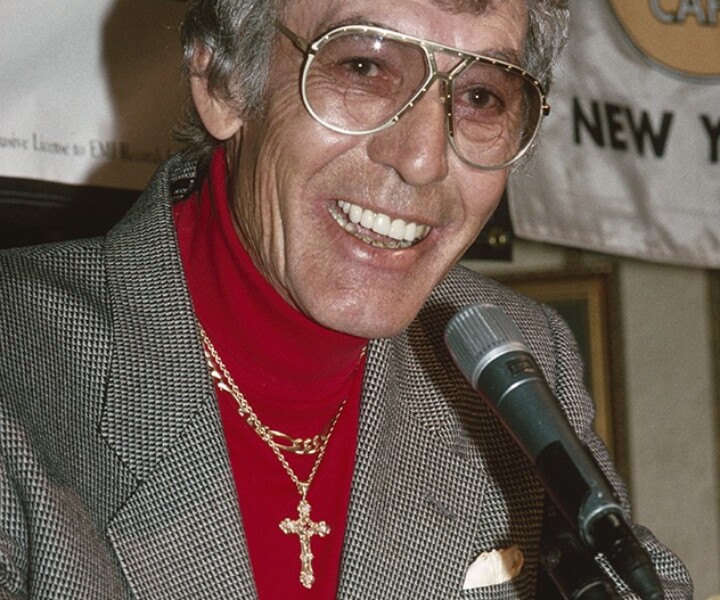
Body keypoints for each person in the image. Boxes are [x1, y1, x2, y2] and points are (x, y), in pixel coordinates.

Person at [0, 0, 693, 598]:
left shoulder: (512, 353)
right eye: (362, 67)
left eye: (481, 95)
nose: (422, 158)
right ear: (219, 82)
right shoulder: (18, 361)